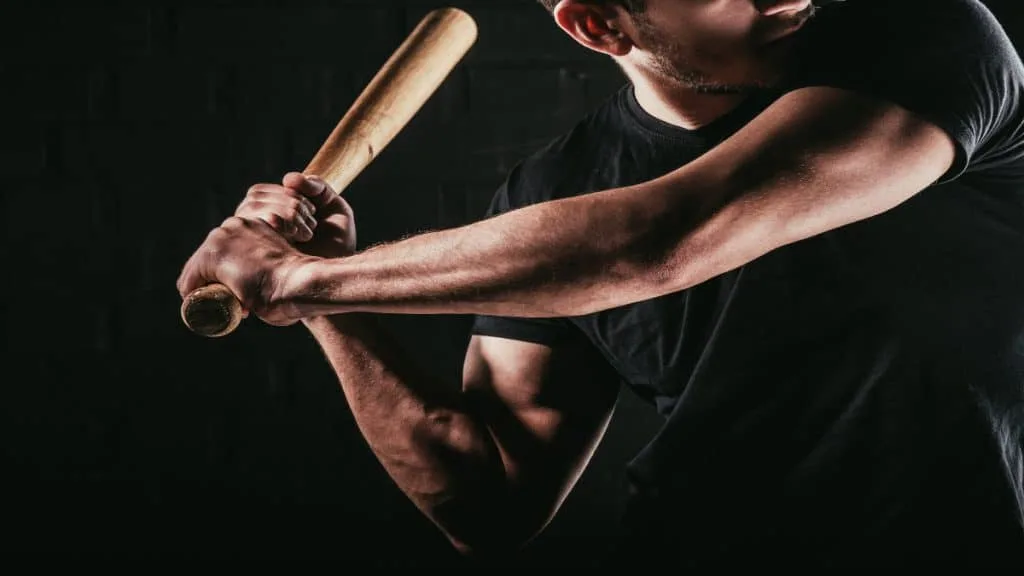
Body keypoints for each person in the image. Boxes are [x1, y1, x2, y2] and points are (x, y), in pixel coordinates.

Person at [177, 0, 1024, 568]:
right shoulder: (555, 200)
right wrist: (330, 299)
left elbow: (662, 241)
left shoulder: (923, 39)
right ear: (598, 26)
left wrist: (300, 282)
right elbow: (488, 498)